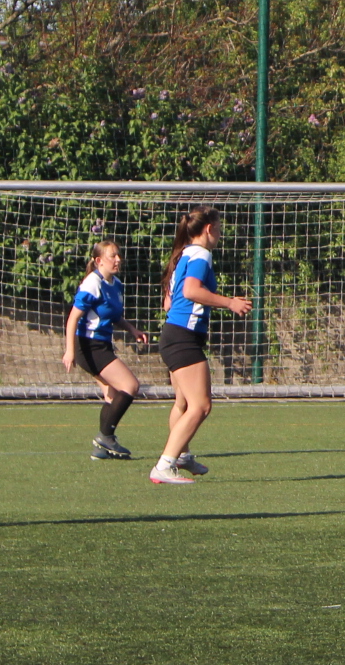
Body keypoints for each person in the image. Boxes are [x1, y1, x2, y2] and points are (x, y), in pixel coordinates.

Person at [152, 207, 252, 487]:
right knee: (201, 405)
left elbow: (170, 301)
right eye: (219, 228)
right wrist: (230, 302)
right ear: (209, 229)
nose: (220, 234)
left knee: (184, 403)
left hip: (176, 334)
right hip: (182, 337)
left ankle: (181, 456)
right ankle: (164, 465)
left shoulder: (184, 254)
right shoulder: (201, 254)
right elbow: (191, 291)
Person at [61, 238, 145, 460]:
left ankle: (101, 449)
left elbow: (113, 315)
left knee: (112, 394)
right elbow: (72, 319)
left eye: (118, 255)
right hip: (88, 346)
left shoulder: (116, 284)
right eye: (112, 256)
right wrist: (70, 351)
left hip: (102, 345)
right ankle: (106, 437)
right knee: (130, 385)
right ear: (98, 261)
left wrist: (132, 330)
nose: (118, 259)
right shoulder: (92, 283)